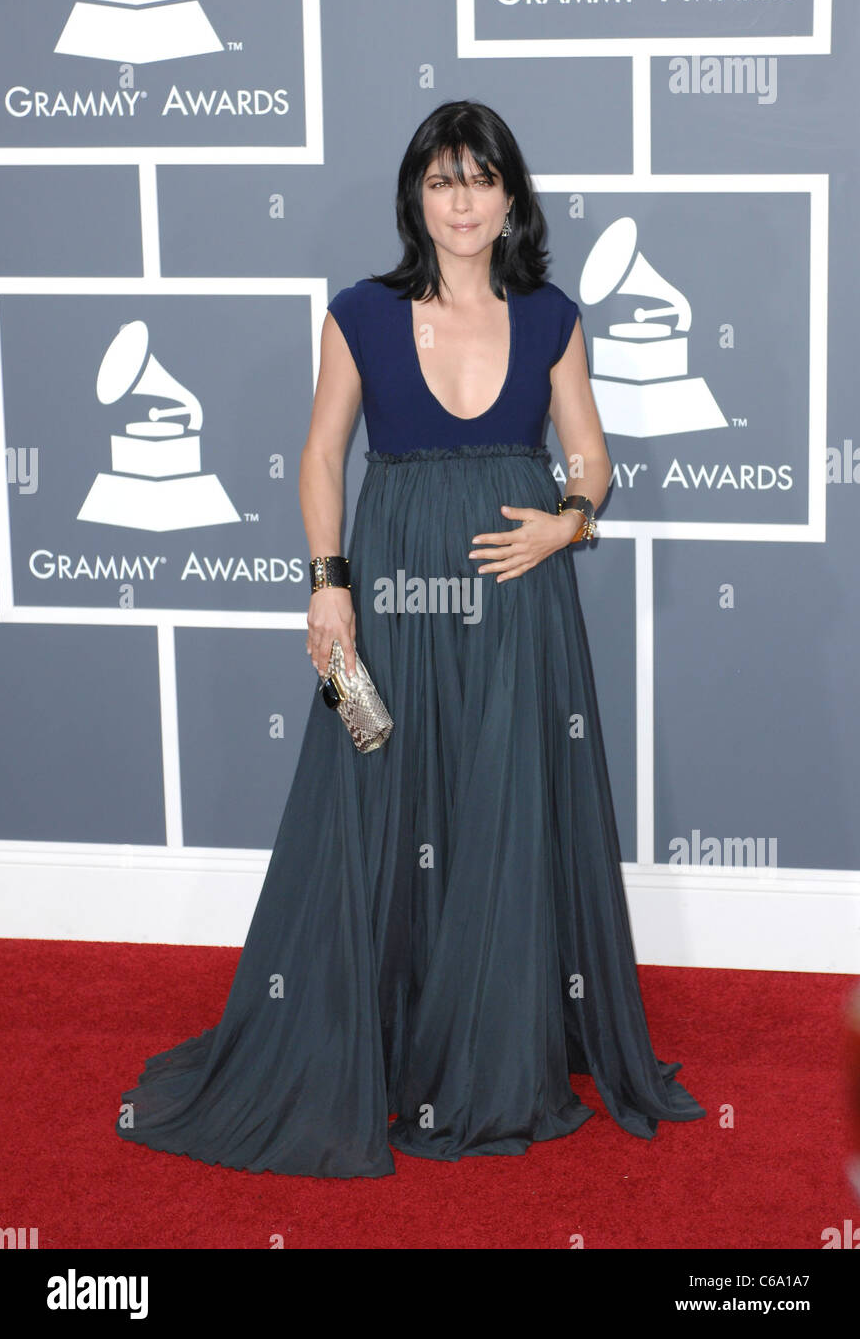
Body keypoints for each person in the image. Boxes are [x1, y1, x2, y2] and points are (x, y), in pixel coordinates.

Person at [115, 100, 705, 1178]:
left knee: (500, 805)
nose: (462, 201)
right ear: (415, 199)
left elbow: (590, 459)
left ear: (510, 198)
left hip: (517, 593)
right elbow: (320, 457)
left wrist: (566, 524)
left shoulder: (552, 316)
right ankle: (377, 1037)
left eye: (480, 179)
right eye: (442, 181)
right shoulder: (361, 314)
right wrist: (326, 586)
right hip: (387, 591)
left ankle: (490, 1046)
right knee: (381, 790)